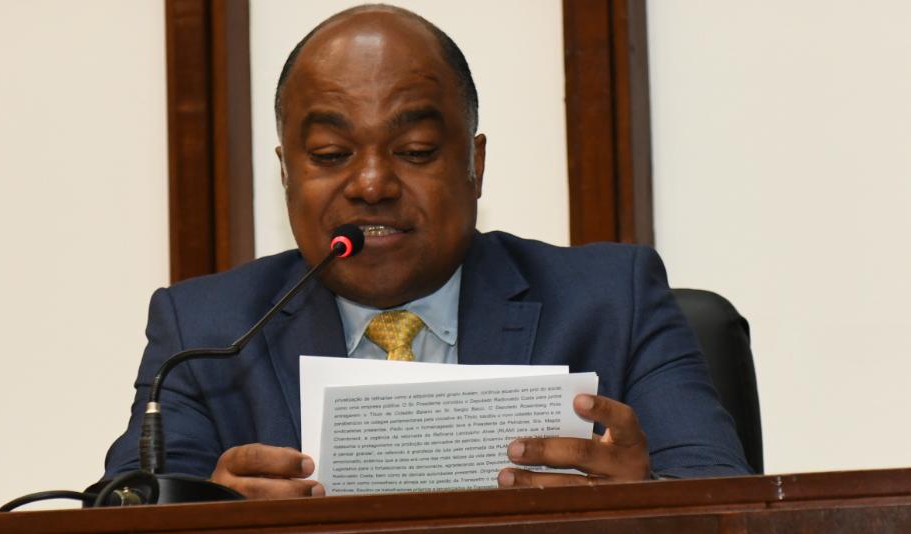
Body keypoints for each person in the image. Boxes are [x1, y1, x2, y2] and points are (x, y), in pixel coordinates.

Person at [105, 4, 751, 499]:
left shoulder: (614, 300)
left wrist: (642, 502)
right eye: (331, 154)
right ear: (286, 174)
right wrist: (204, 515)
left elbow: (729, 503)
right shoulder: (205, 332)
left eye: (414, 151)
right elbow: (125, 510)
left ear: (475, 164)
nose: (371, 185)